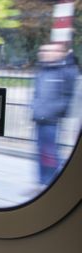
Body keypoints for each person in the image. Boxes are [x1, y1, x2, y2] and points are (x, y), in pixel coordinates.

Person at [32, 41, 79, 185]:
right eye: (43, 50)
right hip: (39, 117)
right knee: (42, 152)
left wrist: (54, 111)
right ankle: (42, 183)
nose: (44, 53)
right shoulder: (43, 70)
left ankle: (51, 183)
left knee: (50, 154)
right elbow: (37, 94)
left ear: (61, 54)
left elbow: (69, 97)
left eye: (49, 50)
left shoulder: (66, 71)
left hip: (51, 120)